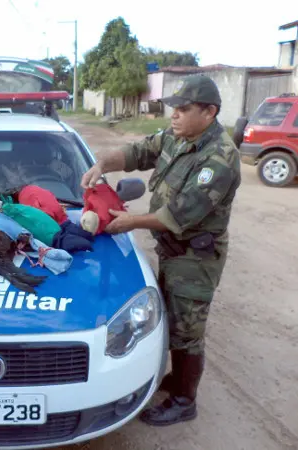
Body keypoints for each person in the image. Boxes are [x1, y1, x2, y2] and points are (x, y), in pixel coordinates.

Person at [80, 74, 241, 426]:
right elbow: (141, 151)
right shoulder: (179, 136)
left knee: (187, 328)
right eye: (175, 109)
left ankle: (185, 400)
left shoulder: (219, 159)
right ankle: (177, 378)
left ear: (209, 112)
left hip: (196, 256)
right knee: (171, 315)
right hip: (173, 249)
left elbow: (179, 213)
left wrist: (130, 222)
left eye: (184, 109)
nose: (175, 115)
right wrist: (102, 164)